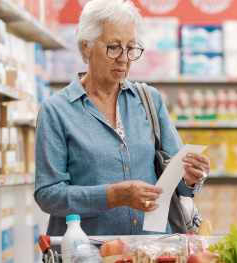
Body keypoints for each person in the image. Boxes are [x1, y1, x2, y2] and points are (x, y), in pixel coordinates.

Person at [34, 0, 210, 252]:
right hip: (88, 253)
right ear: (87, 45)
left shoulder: (150, 100)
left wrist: (192, 178)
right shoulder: (56, 111)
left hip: (151, 251)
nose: (124, 59)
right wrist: (113, 196)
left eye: (131, 49)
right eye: (114, 48)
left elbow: (178, 183)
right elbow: (48, 195)